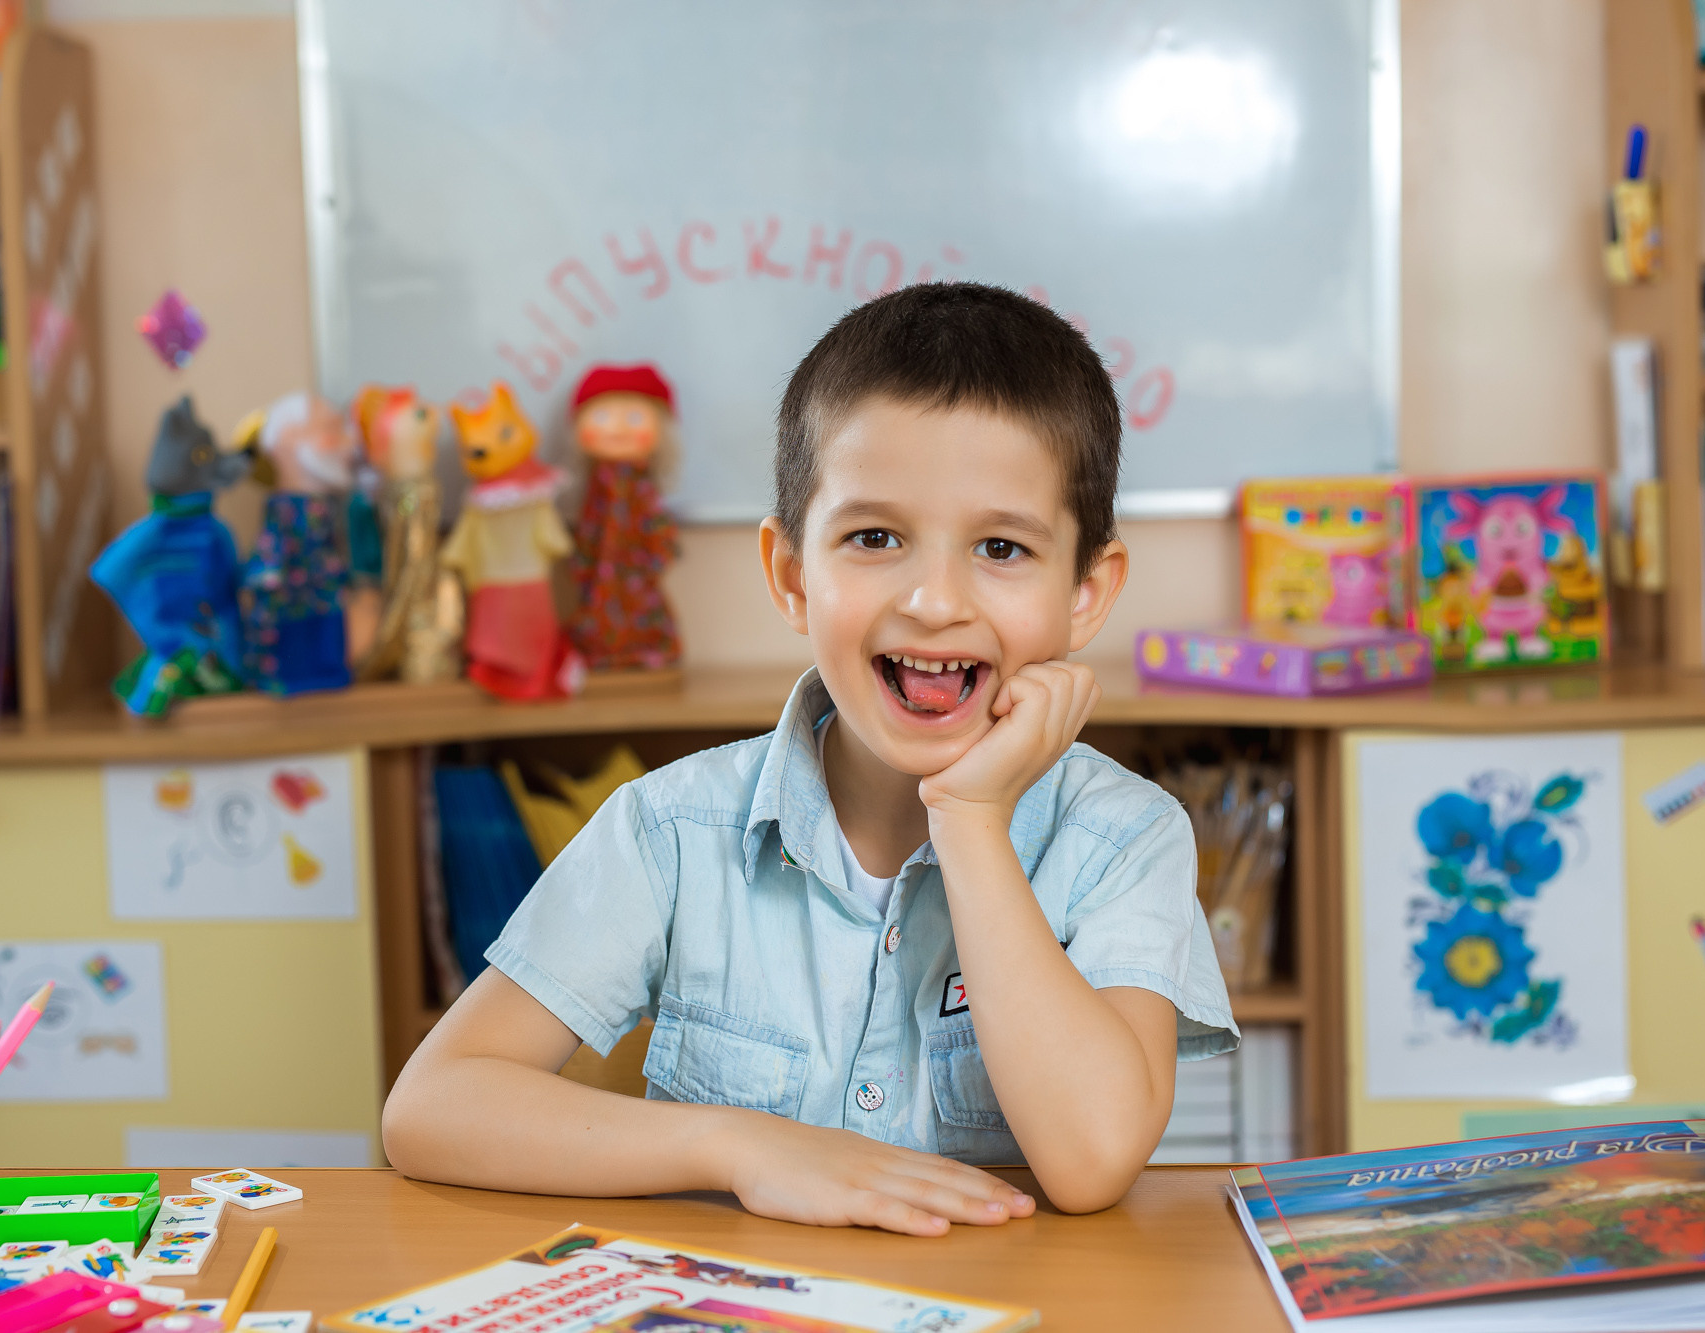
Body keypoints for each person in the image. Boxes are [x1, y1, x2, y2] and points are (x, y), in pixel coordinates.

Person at [383, 283, 1236, 1234]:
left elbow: (1091, 1160)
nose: (935, 600)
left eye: (1001, 546)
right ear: (794, 574)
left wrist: (972, 818)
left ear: (1087, 591)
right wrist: (740, 1145)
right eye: (875, 537)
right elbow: (430, 1107)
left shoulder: (1125, 838)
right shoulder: (670, 831)